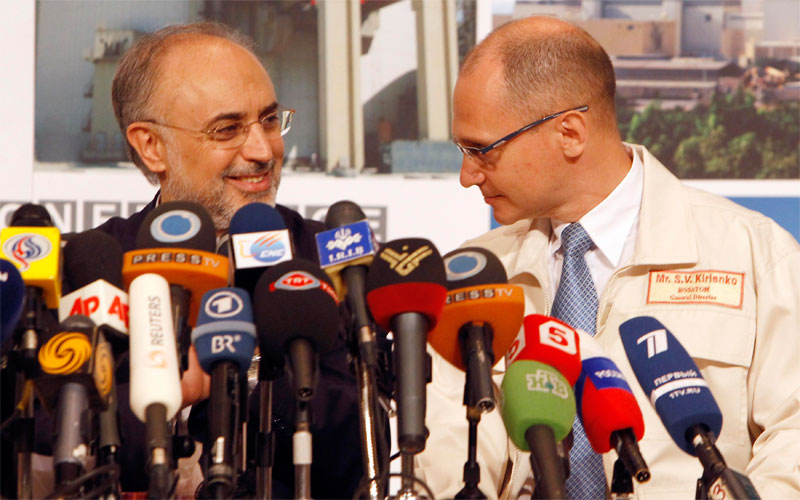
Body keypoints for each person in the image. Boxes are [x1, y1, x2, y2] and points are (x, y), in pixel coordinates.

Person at [417, 16, 800, 499]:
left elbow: (793, 438)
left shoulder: (754, 254)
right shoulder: (471, 277)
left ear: (570, 133)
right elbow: (447, 450)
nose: (466, 176)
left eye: (482, 151)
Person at [73, 22, 364, 497]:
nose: (262, 150)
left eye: (270, 121)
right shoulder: (93, 270)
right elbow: (48, 431)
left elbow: (362, 438)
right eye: (227, 129)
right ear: (151, 146)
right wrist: (165, 399)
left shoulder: (330, 259)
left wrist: (246, 380)